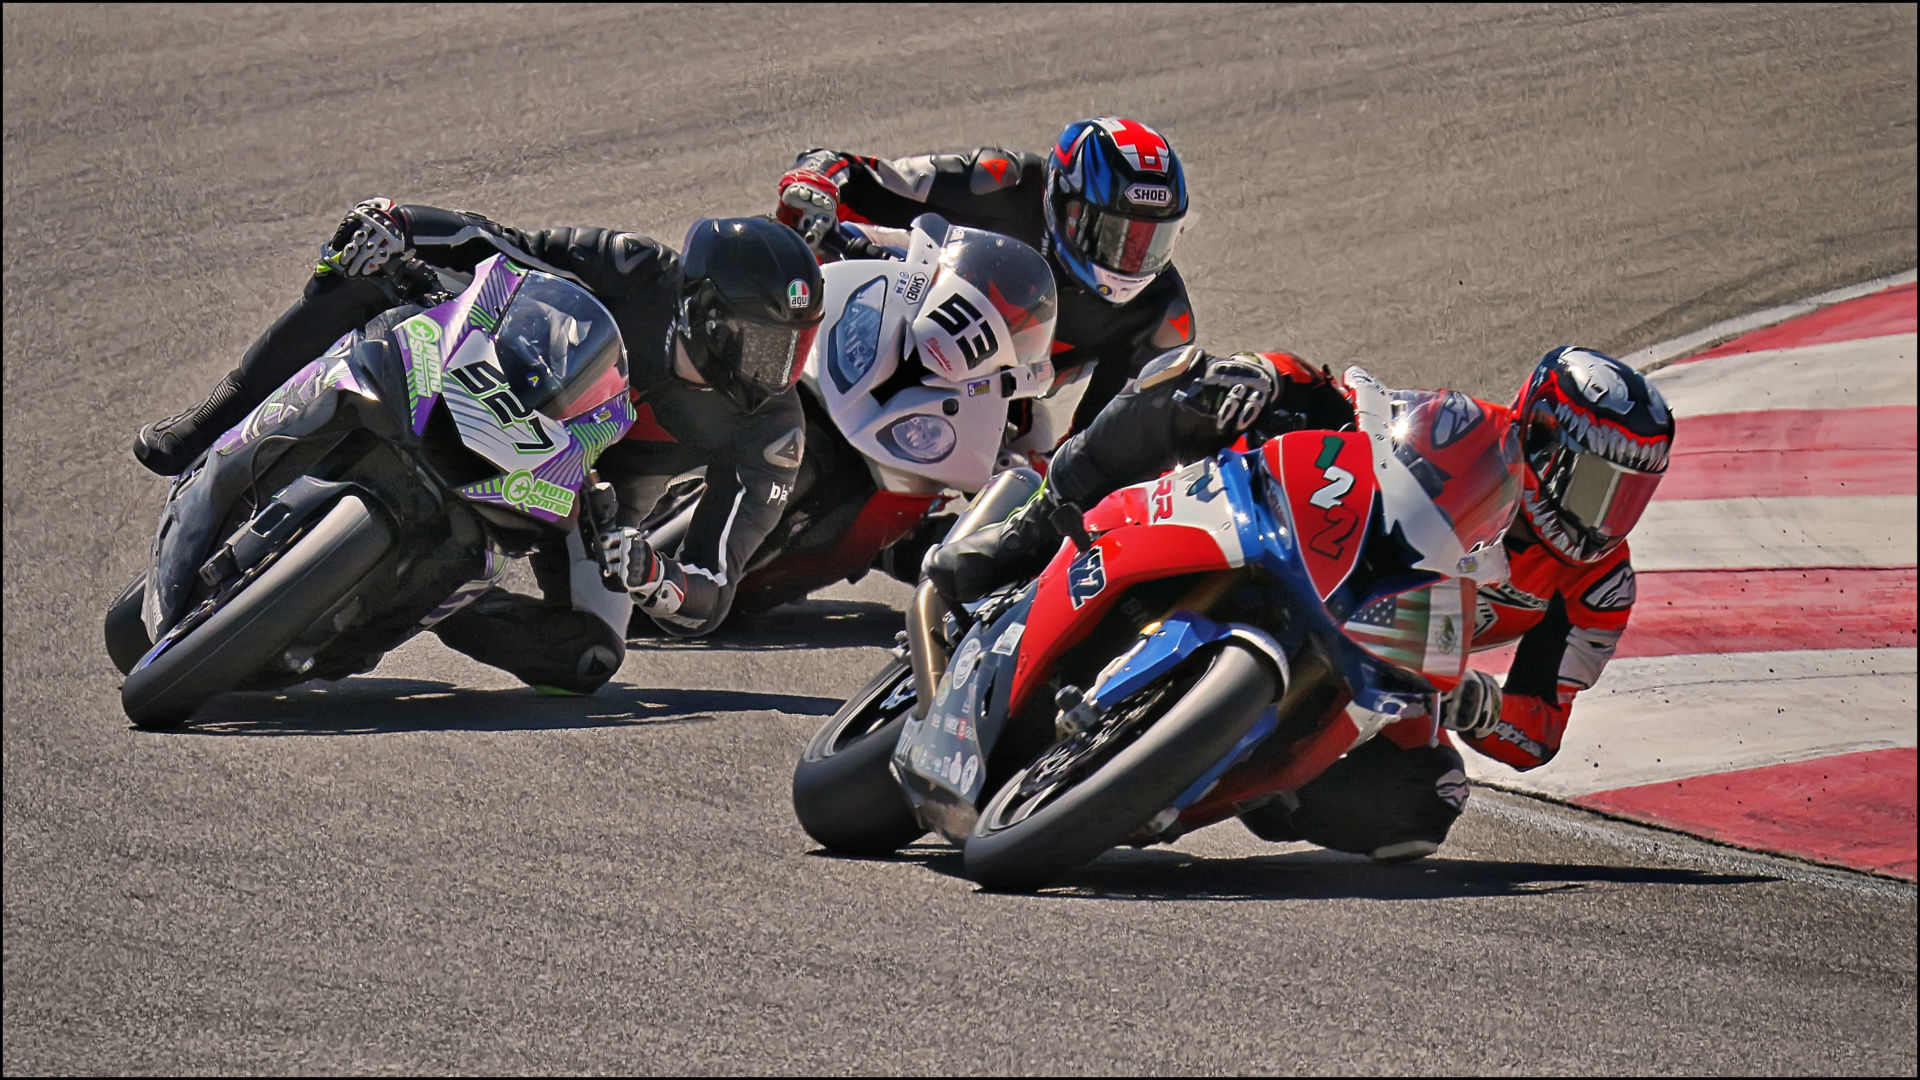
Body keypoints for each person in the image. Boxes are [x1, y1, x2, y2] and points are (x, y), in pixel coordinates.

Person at [926, 344, 1675, 861]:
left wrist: (1483, 707)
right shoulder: (1472, 430)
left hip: (1393, 645)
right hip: (1319, 543)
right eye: (1592, 485)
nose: (1602, 516)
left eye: (1627, 496)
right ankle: (1032, 524)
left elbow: (1540, 728)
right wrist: (1262, 377)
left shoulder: (1598, 585)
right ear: (1542, 439)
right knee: (1193, 381)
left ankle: (1233, 773)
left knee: (1426, 802)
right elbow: (1351, 400)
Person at [133, 199, 825, 691]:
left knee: (589, 660)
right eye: (764, 344)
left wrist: (649, 571)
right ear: (700, 305)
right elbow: (498, 244)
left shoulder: (773, 431)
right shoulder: (634, 268)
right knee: (368, 275)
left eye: (795, 348)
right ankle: (209, 423)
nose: (778, 370)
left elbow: (713, 585)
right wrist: (402, 225)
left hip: (586, 499)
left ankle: (426, 598)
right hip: (500, 387)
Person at [773, 116, 1198, 439]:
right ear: (1062, 201)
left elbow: (1107, 442)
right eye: (1112, 233)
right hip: (898, 314)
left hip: (995, 403)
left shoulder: (1162, 317)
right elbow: (865, 175)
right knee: (794, 261)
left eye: (1149, 240)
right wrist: (814, 184)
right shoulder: (1001, 180)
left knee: (1031, 463)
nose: (1130, 257)